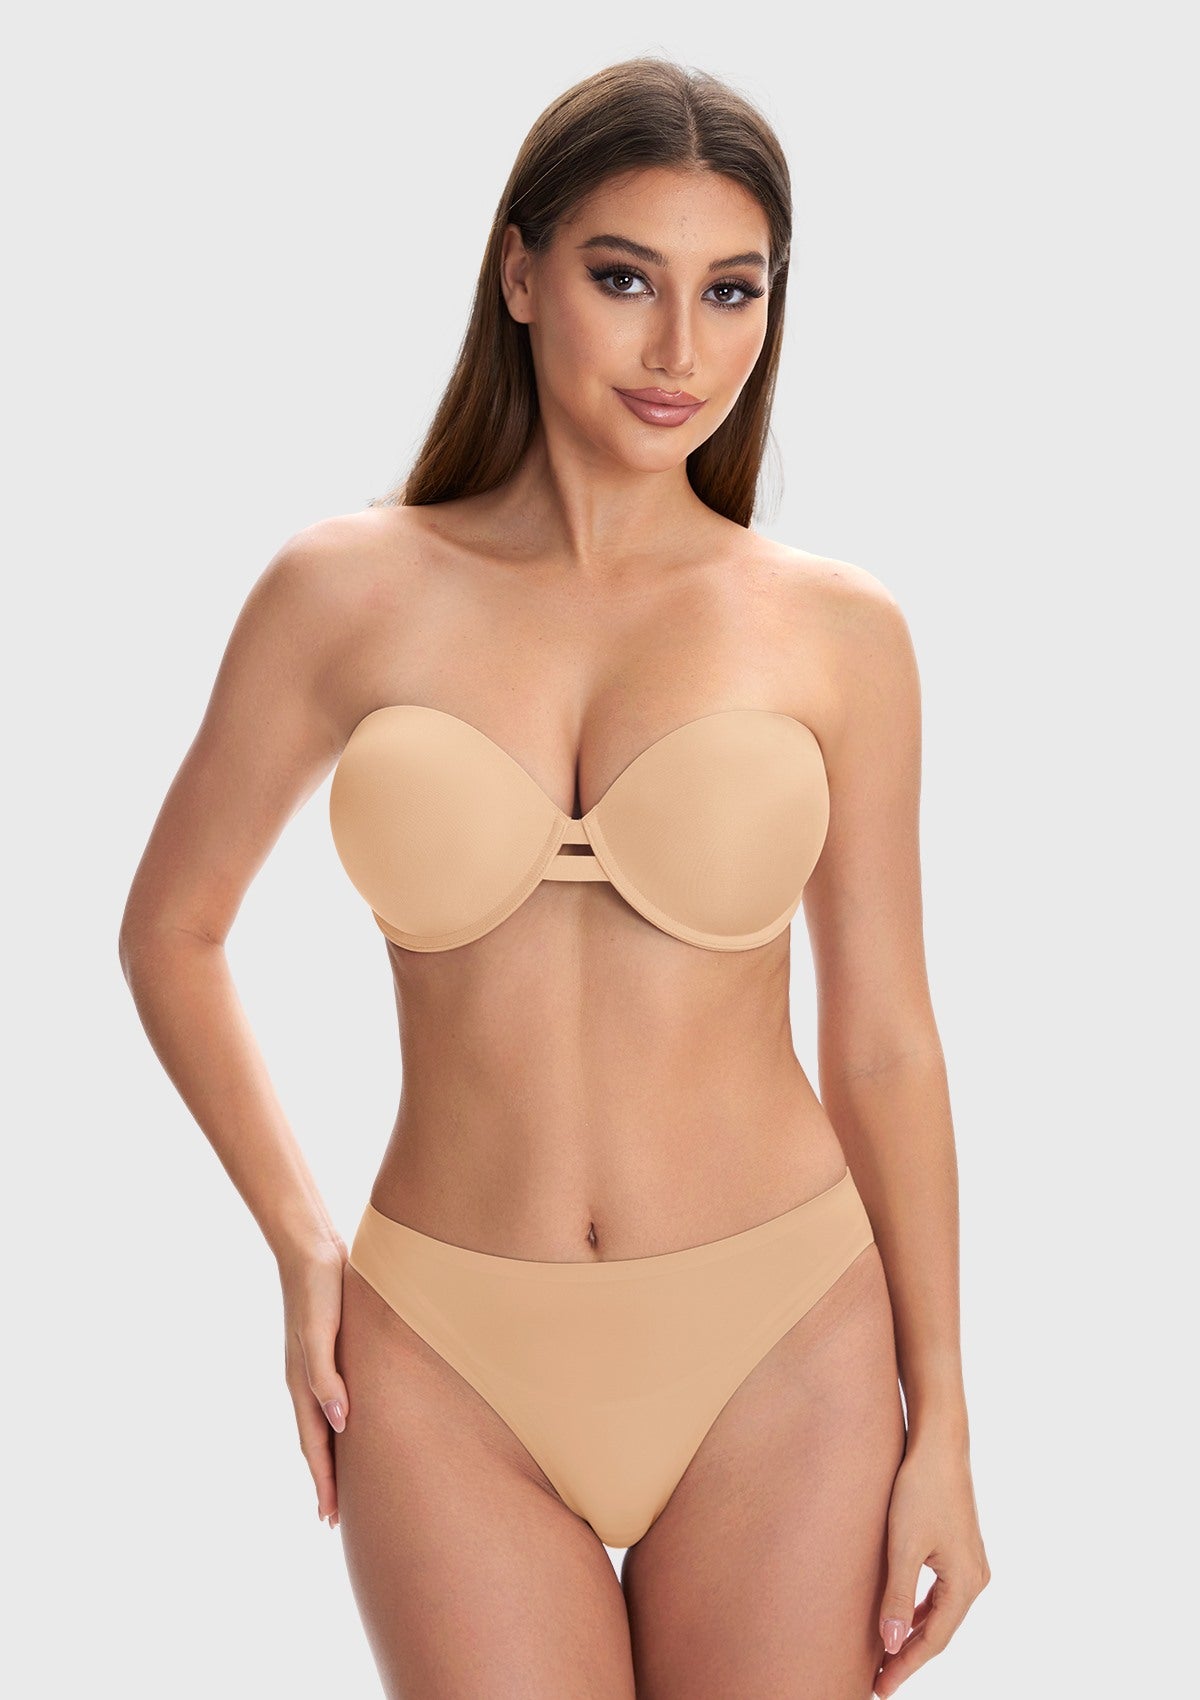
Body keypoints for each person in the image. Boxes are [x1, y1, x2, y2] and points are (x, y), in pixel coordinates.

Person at [118, 54, 989, 1700]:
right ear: (519, 276)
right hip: (446, 1349)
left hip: (783, 1334)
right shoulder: (344, 594)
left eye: (732, 291)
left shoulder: (838, 633)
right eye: (624, 279)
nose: (681, 353)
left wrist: (942, 1414)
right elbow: (173, 929)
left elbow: (884, 1040)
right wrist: (302, 1245)